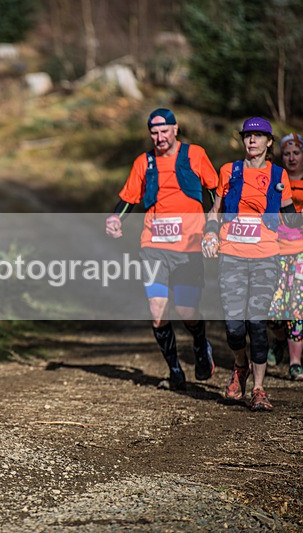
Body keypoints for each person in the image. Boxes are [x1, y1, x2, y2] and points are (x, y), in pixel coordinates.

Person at [202, 117, 303, 412]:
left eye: (258, 136)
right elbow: (214, 210)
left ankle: (259, 388)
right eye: (247, 136)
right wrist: (210, 234)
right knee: (234, 327)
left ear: (269, 142)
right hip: (231, 256)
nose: (252, 140)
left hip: (266, 257)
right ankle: (241, 365)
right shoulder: (229, 171)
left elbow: (290, 220)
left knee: (257, 321)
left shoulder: (279, 176)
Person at [106, 108, 218, 391]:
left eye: (164, 131)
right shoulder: (144, 163)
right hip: (153, 245)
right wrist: (113, 219)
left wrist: (215, 227)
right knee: (157, 311)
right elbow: (128, 199)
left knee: (185, 309)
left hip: (190, 245)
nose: (159, 138)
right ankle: (174, 369)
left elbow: (217, 192)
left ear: (175, 129)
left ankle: (200, 344)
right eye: (154, 133)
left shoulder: (195, 155)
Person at [268, 133, 303, 381]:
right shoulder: (275, 183)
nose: (292, 158)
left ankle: (295, 364)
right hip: (277, 250)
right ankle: (279, 340)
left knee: (296, 305)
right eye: (287, 153)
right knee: (272, 311)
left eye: (296, 153)